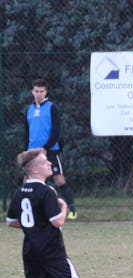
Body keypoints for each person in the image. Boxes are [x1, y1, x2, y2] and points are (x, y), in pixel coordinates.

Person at [4, 148, 122, 278]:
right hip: (52, 252)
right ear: (34, 169)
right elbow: (57, 221)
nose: (50, 164)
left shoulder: (19, 192)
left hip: (31, 252)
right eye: (45, 162)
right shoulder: (47, 191)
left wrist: (34, 228)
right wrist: (64, 206)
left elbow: (11, 222)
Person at [25, 79, 77, 219]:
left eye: (42, 91)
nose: (39, 94)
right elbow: (27, 132)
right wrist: (26, 150)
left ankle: (72, 210)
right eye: (37, 91)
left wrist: (46, 147)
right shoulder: (29, 109)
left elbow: (56, 131)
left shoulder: (51, 108)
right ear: (32, 92)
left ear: (46, 92)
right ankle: (29, 211)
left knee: (59, 179)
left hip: (50, 150)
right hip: (32, 152)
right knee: (28, 180)